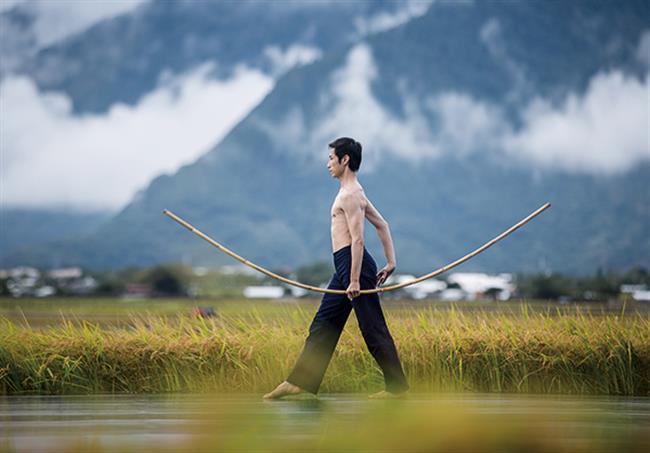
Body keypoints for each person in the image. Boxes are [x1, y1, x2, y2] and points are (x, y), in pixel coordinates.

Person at [263, 137, 409, 400]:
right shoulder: (353, 192)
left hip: (355, 267)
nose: (328, 163)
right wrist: (390, 262)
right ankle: (301, 382)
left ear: (345, 160)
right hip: (345, 266)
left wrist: (354, 279)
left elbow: (358, 238)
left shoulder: (351, 195)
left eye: (331, 158)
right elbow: (383, 225)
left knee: (372, 327)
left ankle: (397, 388)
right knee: (323, 325)